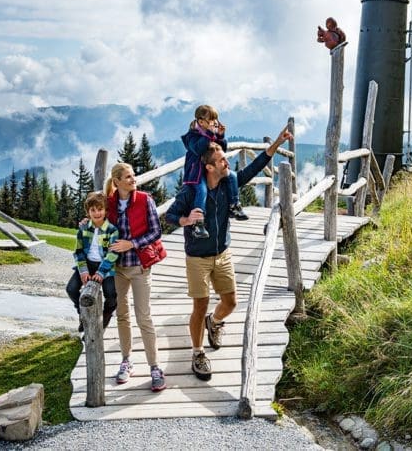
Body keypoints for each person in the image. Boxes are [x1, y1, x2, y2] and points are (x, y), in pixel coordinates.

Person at [166, 125, 293, 381]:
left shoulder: (228, 185)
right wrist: (187, 220)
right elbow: (169, 216)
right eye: (222, 160)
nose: (228, 162)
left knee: (231, 302)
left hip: (222, 253)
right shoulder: (191, 191)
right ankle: (198, 352)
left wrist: (277, 143)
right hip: (198, 258)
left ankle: (214, 322)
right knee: (199, 306)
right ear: (209, 167)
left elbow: (255, 167)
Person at [105, 162, 167, 392]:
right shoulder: (109, 203)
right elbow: (99, 223)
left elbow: (155, 231)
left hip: (140, 265)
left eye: (134, 176)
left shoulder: (144, 199)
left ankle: (155, 367)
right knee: (122, 315)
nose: (134, 180)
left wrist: (131, 243)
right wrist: (86, 224)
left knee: (144, 317)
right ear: (117, 182)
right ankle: (126, 360)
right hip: (118, 268)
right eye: (129, 177)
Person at [182, 104, 248, 240]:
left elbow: (221, 149)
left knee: (232, 176)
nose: (215, 123)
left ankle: (234, 205)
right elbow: (199, 149)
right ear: (201, 122)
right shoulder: (191, 136)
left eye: (215, 120)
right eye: (211, 120)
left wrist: (220, 135)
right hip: (197, 173)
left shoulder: (209, 133)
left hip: (212, 171)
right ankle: (198, 223)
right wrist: (211, 134)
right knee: (202, 191)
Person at [65, 191, 119, 334]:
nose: (96, 213)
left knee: (112, 294)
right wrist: (83, 271)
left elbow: (112, 254)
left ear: (105, 211)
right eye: (93, 210)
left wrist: (101, 272)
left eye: (100, 209)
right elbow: (78, 251)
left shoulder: (112, 230)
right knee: (71, 289)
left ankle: (105, 316)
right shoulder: (83, 229)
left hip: (105, 266)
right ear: (88, 212)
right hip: (88, 264)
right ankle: (83, 314)